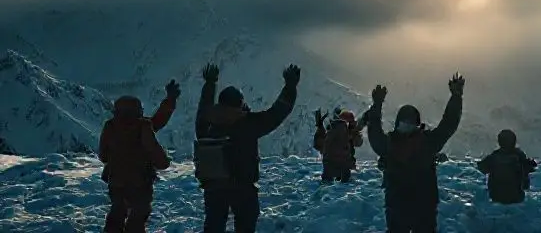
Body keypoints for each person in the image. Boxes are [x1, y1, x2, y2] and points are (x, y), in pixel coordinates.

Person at [193, 62, 300, 233]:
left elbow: (204, 106)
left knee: (213, 225)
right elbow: (276, 113)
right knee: (245, 225)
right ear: (240, 103)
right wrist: (290, 87)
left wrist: (210, 84)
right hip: (243, 187)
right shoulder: (247, 123)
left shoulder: (207, 122)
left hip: (213, 186)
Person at [366, 73, 465, 233]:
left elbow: (374, 132)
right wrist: (456, 96)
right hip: (424, 204)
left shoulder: (388, 144)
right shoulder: (428, 142)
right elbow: (449, 123)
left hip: (397, 205)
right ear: (418, 123)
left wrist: (377, 104)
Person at [98, 92, 174, 232]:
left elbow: (103, 156)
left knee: (117, 213)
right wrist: (163, 162)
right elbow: (154, 146)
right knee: (138, 217)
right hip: (140, 182)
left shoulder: (110, 126)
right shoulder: (143, 126)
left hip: (116, 181)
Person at [476, 129, 538, 205]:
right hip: (516, 198)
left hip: (496, 197)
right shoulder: (519, 156)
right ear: (514, 141)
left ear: (499, 142)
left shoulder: (494, 156)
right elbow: (532, 167)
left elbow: (481, 168)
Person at [313, 107, 364, 182]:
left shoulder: (331, 133)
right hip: (344, 169)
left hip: (331, 169)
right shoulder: (345, 134)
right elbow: (358, 142)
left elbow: (318, 145)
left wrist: (320, 127)